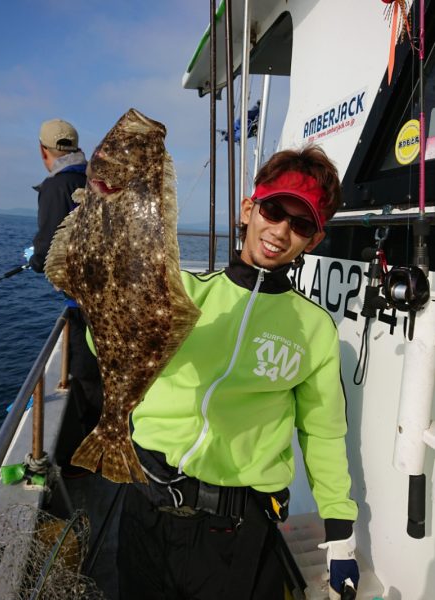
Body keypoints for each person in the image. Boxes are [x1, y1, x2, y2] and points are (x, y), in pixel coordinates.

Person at [117, 145, 359, 600]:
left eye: (301, 223)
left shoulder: (314, 329)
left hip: (235, 533)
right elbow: (108, 342)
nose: (281, 231)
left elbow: (323, 433)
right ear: (249, 210)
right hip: (145, 511)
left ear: (315, 239)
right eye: (273, 210)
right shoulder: (183, 291)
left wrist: (340, 530)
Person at [25, 119, 103, 442]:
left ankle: (97, 447)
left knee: (86, 375)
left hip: (82, 303)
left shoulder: (55, 188)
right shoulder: (95, 178)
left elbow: (46, 250)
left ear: (44, 152)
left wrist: (34, 260)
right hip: (107, 295)